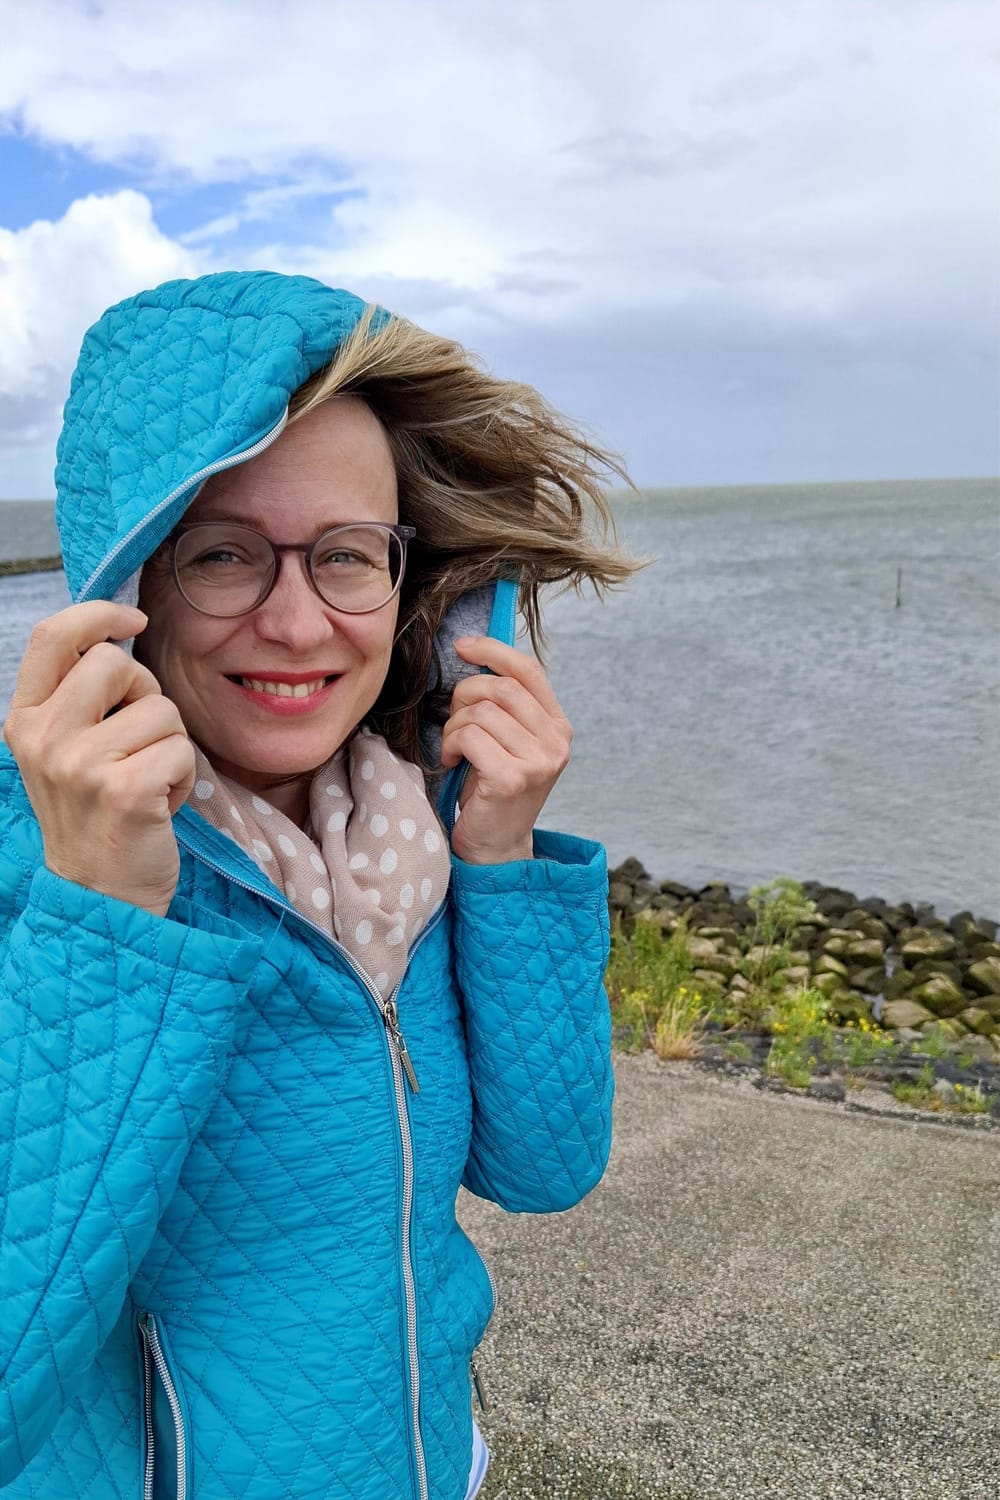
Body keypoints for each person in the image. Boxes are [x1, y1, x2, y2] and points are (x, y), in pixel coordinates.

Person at [0, 271, 636, 1500]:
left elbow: (544, 1167)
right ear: (128, 589)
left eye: (347, 555)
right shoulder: (39, 880)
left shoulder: (413, 842)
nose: (299, 626)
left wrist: (501, 858)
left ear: (413, 585)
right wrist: (99, 918)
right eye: (223, 555)